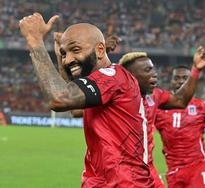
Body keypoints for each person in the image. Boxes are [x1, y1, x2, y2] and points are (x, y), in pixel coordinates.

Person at [19, 13, 154, 187]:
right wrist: (60, 56)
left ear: (99, 50)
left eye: (75, 50)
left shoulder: (113, 76)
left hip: (124, 183)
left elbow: (59, 99)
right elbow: (75, 109)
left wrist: (35, 41)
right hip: (101, 181)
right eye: (63, 54)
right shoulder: (101, 86)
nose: (68, 59)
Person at [118, 49, 205, 187]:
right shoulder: (115, 98)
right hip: (121, 170)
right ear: (131, 76)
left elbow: (180, 100)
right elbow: (79, 110)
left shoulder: (154, 97)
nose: (155, 74)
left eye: (153, 69)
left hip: (147, 168)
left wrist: (196, 70)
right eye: (148, 70)